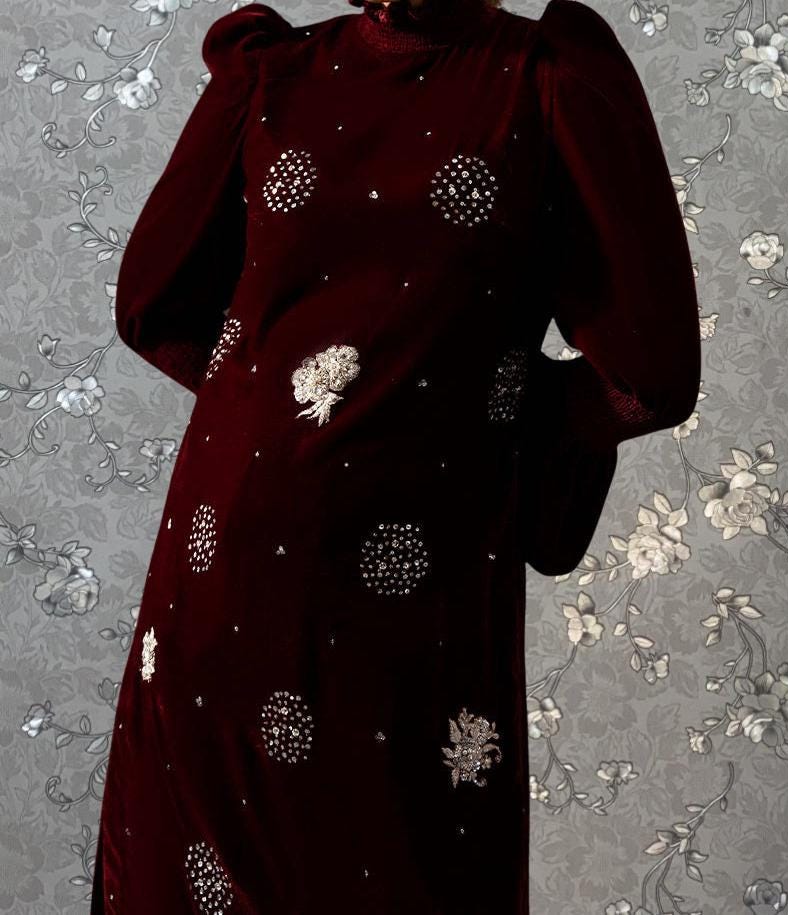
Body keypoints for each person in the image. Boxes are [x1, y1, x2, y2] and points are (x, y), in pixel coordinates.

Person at [90, 0, 701, 911]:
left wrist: (442, 412)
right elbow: (152, 305)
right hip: (241, 605)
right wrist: (422, 420)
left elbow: (650, 373)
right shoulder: (271, 73)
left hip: (377, 614)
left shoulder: (547, 81)